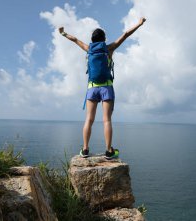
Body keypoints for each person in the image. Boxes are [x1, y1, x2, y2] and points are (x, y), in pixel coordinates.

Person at [58, 17, 146, 159]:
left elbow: (74, 39)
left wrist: (63, 33)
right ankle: (109, 151)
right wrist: (139, 24)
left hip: (92, 88)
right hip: (106, 87)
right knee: (107, 120)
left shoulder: (88, 49)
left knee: (89, 119)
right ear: (104, 39)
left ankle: (85, 150)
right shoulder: (109, 48)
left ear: (92, 40)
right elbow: (125, 35)